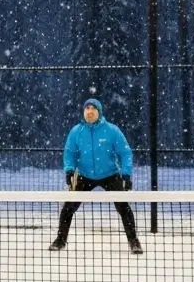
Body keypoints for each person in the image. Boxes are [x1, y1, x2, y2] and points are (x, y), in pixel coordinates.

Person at [51, 97, 142, 255]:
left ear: (99, 112)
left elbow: (125, 152)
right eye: (87, 109)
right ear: (83, 112)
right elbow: (70, 153)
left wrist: (126, 175)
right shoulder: (76, 132)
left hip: (110, 175)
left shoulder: (112, 130)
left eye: (93, 109)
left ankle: (134, 241)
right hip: (84, 176)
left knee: (123, 208)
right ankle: (60, 240)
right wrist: (69, 170)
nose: (90, 112)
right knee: (68, 208)